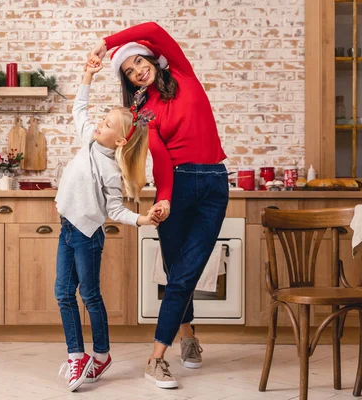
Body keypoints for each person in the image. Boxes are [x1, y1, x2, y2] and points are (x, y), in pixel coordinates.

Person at [87, 21, 229, 389]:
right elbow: (161, 157)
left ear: (151, 57)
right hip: (178, 186)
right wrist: (164, 196)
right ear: (130, 82)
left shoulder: (182, 71)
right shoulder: (143, 111)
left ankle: (155, 360)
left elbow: (153, 28)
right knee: (177, 271)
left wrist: (107, 44)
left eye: (138, 62)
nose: (137, 72)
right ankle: (187, 336)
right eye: (130, 73)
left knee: (186, 272)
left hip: (214, 183)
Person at [54, 60, 155, 392]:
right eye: (103, 118)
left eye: (109, 124)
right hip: (67, 228)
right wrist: (87, 75)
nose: (100, 123)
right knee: (63, 293)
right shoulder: (88, 140)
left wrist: (140, 219)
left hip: (88, 236)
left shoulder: (111, 170)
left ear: (121, 140)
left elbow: (115, 209)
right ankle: (75, 355)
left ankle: (101, 353)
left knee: (90, 295)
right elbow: (80, 110)